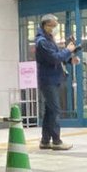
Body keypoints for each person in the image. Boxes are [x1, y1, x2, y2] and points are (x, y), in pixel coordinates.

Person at [35, 14, 77, 150]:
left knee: (49, 110)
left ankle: (45, 141)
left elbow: (57, 57)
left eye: (56, 26)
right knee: (54, 110)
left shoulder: (48, 39)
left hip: (53, 78)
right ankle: (56, 141)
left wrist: (70, 59)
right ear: (45, 25)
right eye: (53, 26)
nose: (55, 29)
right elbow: (53, 58)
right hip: (48, 80)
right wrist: (68, 50)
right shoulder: (42, 42)